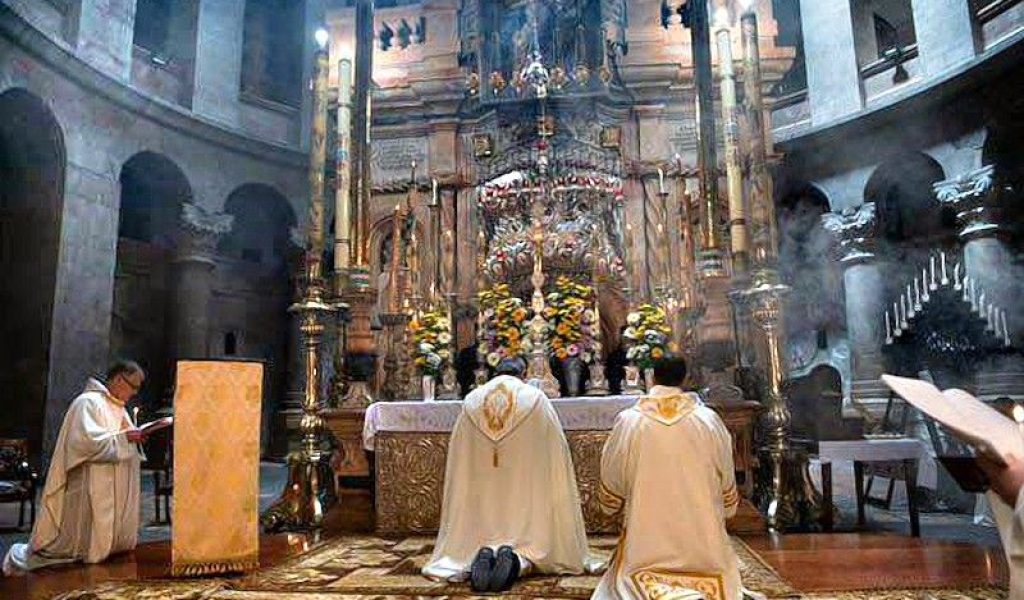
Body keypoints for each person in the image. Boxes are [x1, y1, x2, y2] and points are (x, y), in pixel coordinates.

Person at [423, 357, 599, 592]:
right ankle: (519, 560)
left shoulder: (473, 400)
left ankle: (479, 553)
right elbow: (556, 447)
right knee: (530, 522)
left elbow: (460, 451)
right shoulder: (535, 399)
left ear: (496, 372)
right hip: (527, 483)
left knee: (483, 510)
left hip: (482, 483)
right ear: (523, 373)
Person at [593, 355, 743, 600]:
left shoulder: (630, 421)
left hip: (646, 538)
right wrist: (727, 507)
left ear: (651, 376)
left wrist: (610, 505)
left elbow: (613, 474)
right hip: (703, 540)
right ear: (685, 378)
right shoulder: (708, 420)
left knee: (632, 575)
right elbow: (726, 471)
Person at [3, 361, 149, 574]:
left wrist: (135, 439)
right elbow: (87, 443)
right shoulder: (87, 403)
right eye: (133, 386)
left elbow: (122, 441)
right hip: (87, 484)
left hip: (111, 483)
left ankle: (107, 549)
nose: (135, 393)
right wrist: (126, 438)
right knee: (80, 544)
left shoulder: (119, 409)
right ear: (118, 379)